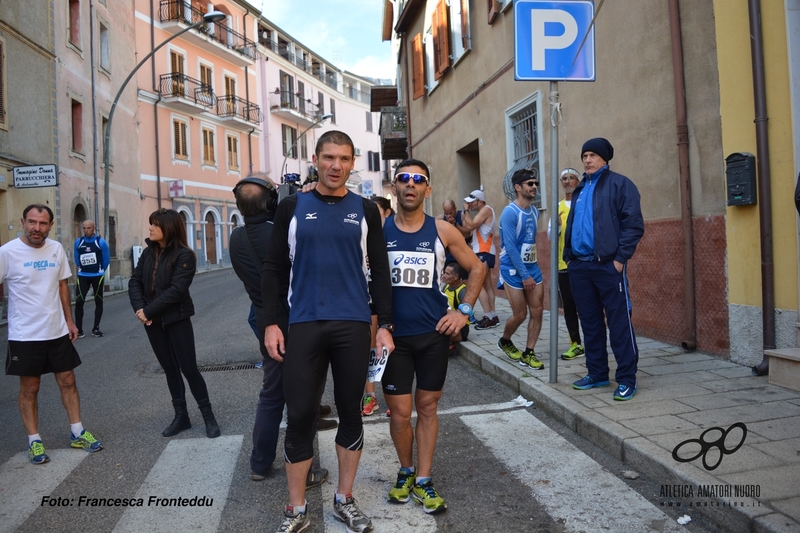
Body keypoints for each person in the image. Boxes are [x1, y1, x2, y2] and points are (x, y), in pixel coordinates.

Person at [263, 130, 393, 533]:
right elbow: (273, 268)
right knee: (300, 414)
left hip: (353, 324)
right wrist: (271, 322)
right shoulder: (291, 206)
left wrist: (384, 324)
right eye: (329, 157)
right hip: (303, 323)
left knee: (350, 410)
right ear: (316, 160)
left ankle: (344, 500)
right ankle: (296, 508)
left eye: (344, 159)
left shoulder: (366, 209)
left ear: (353, 163)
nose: (336, 165)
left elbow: (381, 271)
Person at [382, 159, 484, 515]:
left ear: (427, 189)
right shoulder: (377, 232)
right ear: (393, 187)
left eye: (418, 180)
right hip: (393, 339)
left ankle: (423, 480)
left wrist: (464, 312)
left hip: (431, 336)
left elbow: (477, 267)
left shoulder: (443, 230)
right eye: (403, 179)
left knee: (427, 407)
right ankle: (405, 471)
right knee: (398, 413)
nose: (410, 184)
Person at [229, 174, 333, 487]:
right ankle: (307, 468)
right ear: (272, 202)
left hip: (265, 323)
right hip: (298, 321)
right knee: (305, 399)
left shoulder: (236, 238)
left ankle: (259, 463)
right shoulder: (282, 232)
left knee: (272, 395)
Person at [1, 204, 103, 465]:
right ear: (23, 222)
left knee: (68, 380)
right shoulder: (7, 253)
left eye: (43, 223)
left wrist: (70, 320)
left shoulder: (56, 249)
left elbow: (62, 285)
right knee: (30, 387)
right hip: (25, 334)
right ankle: (34, 441)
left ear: (50, 225)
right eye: (32, 222)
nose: (37, 228)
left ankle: (77, 432)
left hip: (56, 329)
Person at [564, 138, 644, 401]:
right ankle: (597, 373)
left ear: (605, 158)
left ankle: (627, 379)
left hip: (608, 266)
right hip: (580, 267)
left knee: (619, 322)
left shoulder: (620, 185)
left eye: (593, 155)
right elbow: (573, 226)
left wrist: (619, 259)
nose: (587, 160)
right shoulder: (580, 189)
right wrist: (570, 259)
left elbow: (633, 225)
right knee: (590, 322)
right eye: (584, 155)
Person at [129, 208, 221, 437]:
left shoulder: (184, 255)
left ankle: (208, 417)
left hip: (177, 318)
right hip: (153, 322)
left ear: (168, 228)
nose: (150, 228)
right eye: (150, 224)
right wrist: (140, 310)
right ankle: (182, 417)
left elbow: (177, 291)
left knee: (189, 369)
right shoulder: (148, 253)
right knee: (170, 369)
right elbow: (134, 282)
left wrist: (147, 311)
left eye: (155, 225)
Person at [496, 169, 545, 370]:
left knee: (538, 311)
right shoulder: (510, 212)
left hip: (533, 268)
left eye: (535, 184)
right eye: (530, 184)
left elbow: (530, 243)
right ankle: (505, 340)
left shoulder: (534, 212)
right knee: (520, 314)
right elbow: (511, 247)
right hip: (512, 269)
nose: (534, 187)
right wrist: (524, 275)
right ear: (518, 187)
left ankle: (529, 352)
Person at [547, 168, 584, 360]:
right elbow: (550, 236)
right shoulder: (557, 207)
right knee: (569, 307)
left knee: (587, 305)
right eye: (564, 179)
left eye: (571, 178)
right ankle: (575, 344)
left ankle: (593, 341)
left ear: (578, 181)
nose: (567, 181)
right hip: (564, 265)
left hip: (584, 263)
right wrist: (558, 227)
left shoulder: (584, 202)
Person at [362, 196, 394, 417]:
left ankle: (395, 398)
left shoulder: (393, 234)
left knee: (394, 349)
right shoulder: (361, 233)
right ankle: (370, 397)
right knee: (372, 347)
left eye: (376, 211)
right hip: (369, 297)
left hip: (395, 297)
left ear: (387, 213)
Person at [460, 190, 497, 329]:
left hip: (484, 251)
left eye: (472, 202)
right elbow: (466, 228)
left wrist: (465, 211)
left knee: (478, 284)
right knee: (487, 285)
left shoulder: (486, 210)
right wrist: (466, 213)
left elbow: (470, 225)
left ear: (480, 201)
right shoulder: (483, 212)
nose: (470, 204)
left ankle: (488, 316)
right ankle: (493, 315)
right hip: (485, 251)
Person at [73, 219, 110, 338]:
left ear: (93, 228)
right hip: (83, 276)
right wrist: (82, 269)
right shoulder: (78, 242)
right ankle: (79, 330)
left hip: (97, 276)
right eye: (84, 228)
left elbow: (106, 260)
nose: (86, 230)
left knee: (98, 301)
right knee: (79, 301)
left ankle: (96, 328)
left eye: (88, 228)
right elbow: (77, 258)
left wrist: (99, 270)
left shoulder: (101, 242)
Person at [441, 262, 470, 355]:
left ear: (456, 276)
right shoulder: (446, 287)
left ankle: (450, 344)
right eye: (444, 272)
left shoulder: (462, 291)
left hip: (461, 328)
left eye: (447, 274)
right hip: (447, 321)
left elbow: (465, 314)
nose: (444, 276)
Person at [436, 200, 472, 265]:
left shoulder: (462, 215)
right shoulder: (440, 218)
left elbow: (467, 234)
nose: (448, 216)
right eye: (446, 213)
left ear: (455, 209)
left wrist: (455, 224)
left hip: (461, 255)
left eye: (450, 213)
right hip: (447, 255)